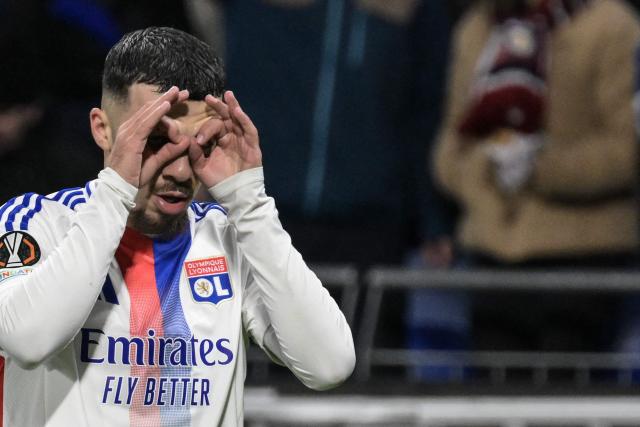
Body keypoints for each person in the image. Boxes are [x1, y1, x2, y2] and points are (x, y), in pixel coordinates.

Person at [0, 27, 355, 426]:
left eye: (198, 146)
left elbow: (329, 365)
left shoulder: (230, 236)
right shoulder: (36, 223)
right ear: (103, 129)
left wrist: (249, 201)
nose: (182, 170)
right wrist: (116, 189)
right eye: (154, 141)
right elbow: (27, 341)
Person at [434, 0, 640, 352]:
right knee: (489, 396)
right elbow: (451, 148)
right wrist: (485, 172)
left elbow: (627, 151)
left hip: (582, 257)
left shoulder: (613, 26)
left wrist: (541, 167)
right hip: (490, 254)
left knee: (562, 393)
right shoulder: (477, 28)